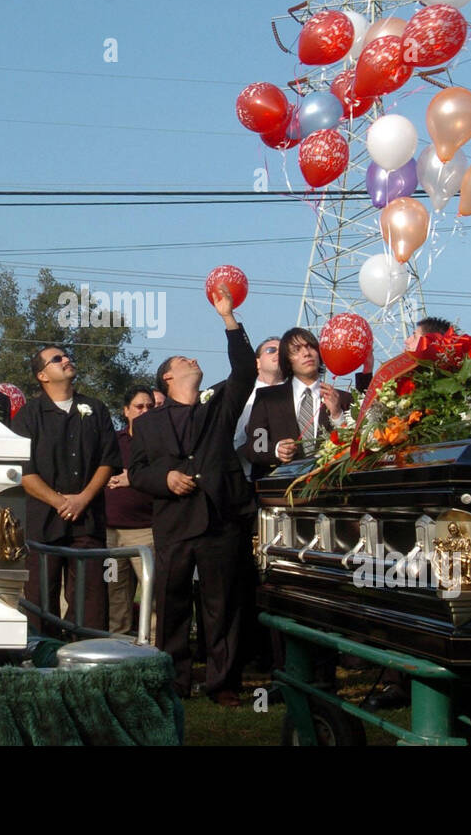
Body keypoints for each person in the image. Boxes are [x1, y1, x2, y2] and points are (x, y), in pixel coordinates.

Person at [129, 285, 255, 706]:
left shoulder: (217, 405)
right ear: (167, 375)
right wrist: (165, 479)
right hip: (175, 525)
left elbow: (245, 372)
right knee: (173, 604)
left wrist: (228, 318)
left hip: (220, 521)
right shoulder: (147, 424)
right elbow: (138, 471)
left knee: (223, 607)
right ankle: (175, 681)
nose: (195, 360)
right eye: (185, 359)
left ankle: (223, 684)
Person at [11, 345, 120, 636]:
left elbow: (108, 461)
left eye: (66, 355)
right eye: (57, 359)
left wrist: (83, 499)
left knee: (91, 601)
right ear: (42, 375)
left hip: (88, 521)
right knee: (40, 599)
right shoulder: (28, 416)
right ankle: (42, 659)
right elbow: (24, 472)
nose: (66, 360)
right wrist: (60, 502)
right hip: (43, 524)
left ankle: (87, 659)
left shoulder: (95, 409)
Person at [241, 327, 347, 484]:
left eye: (310, 347)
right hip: (283, 490)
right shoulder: (268, 399)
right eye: (296, 350)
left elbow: (357, 446)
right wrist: (276, 450)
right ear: (287, 360)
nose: (306, 353)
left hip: (332, 488)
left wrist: (337, 415)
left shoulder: (342, 398)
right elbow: (256, 445)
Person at [104, 386, 157, 639]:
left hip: (146, 532)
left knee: (153, 596)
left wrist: (133, 478)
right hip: (111, 535)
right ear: (126, 411)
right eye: (139, 406)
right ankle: (119, 651)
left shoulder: (160, 444)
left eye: (150, 407)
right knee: (116, 596)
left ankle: (154, 648)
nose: (145, 411)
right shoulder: (112, 442)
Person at [233, 336, 283, 481]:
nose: (278, 354)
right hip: (248, 476)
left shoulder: (299, 396)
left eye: (284, 351)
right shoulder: (243, 396)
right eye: (271, 350)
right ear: (257, 363)